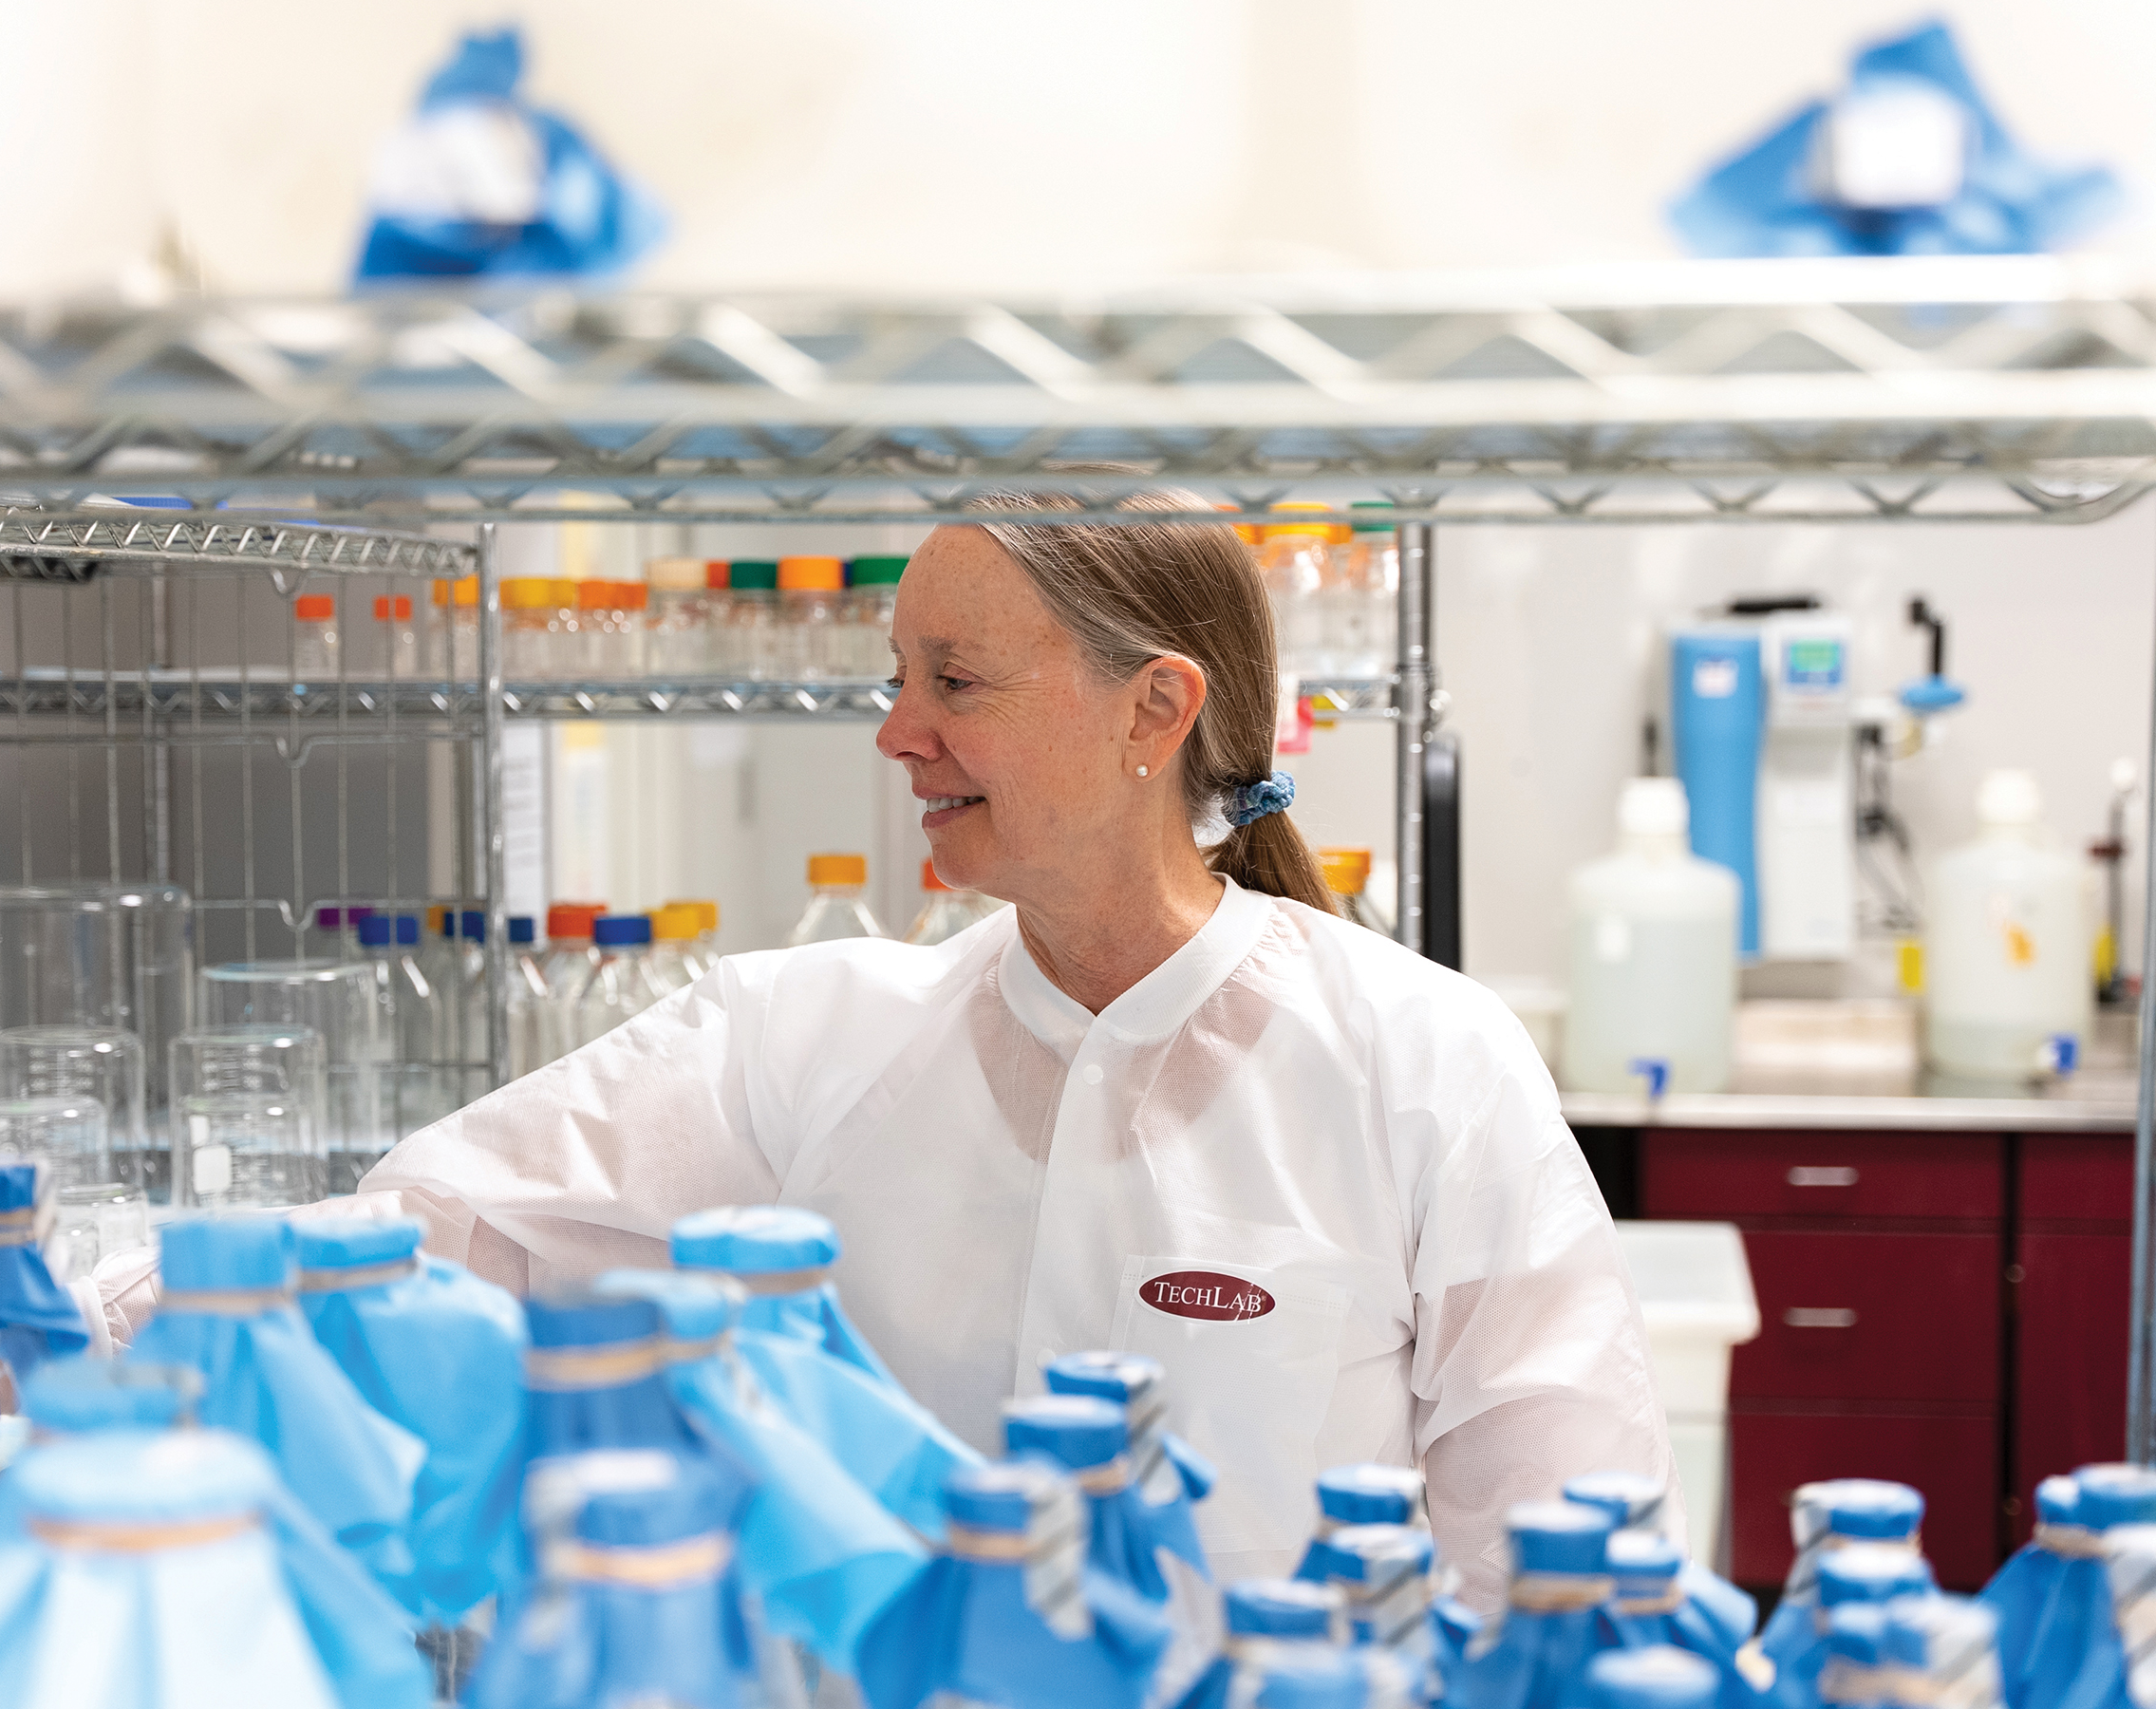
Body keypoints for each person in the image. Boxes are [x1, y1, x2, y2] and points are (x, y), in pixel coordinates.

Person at [347, 490, 1674, 1600]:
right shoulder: (801, 1038)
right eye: (898, 680)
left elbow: (1564, 1545)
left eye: (955, 682)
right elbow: (433, 1238)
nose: (895, 732)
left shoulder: (1418, 1059)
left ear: (1152, 714)